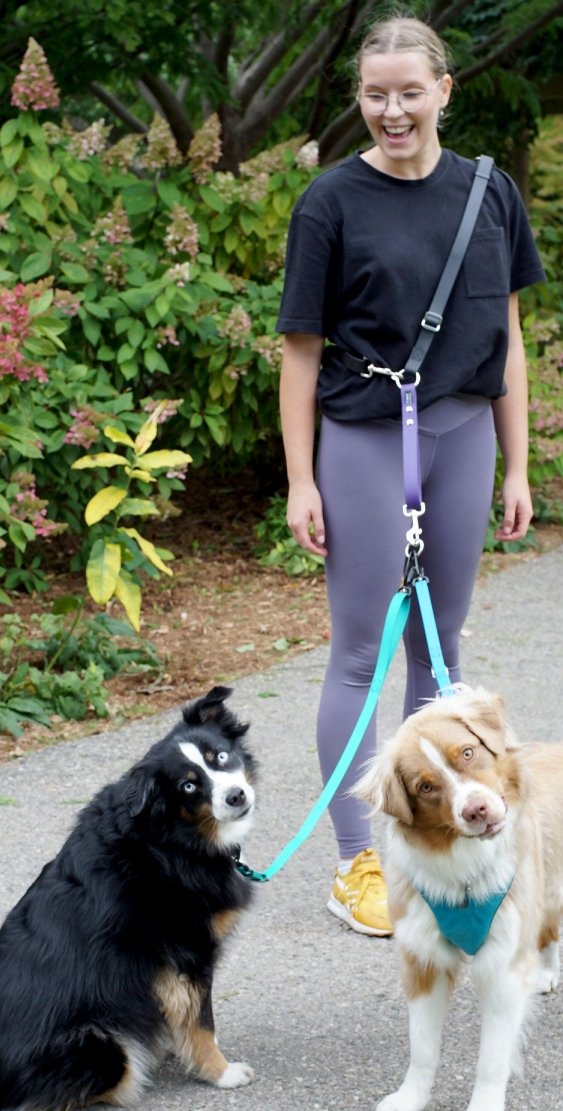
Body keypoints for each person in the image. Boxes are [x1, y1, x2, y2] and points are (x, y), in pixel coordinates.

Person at [276, 15, 545, 936]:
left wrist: (518, 462)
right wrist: (301, 479)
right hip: (361, 438)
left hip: (464, 434)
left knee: (442, 651)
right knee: (360, 652)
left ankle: (439, 843)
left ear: (442, 91)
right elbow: (299, 354)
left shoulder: (488, 193)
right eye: (373, 94)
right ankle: (358, 862)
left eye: (407, 92)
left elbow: (504, 336)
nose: (390, 111)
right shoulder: (330, 202)